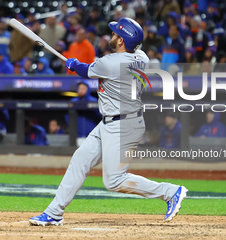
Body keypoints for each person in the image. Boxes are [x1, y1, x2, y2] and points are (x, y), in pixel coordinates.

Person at [29, 17, 187, 226]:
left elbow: (85, 70)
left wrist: (73, 64)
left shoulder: (112, 62)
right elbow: (92, 68)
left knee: (113, 180)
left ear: (122, 41)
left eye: (115, 34)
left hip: (123, 126)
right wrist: (77, 64)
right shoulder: (141, 56)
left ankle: (170, 191)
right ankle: (54, 212)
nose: (111, 36)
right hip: (112, 122)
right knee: (80, 159)